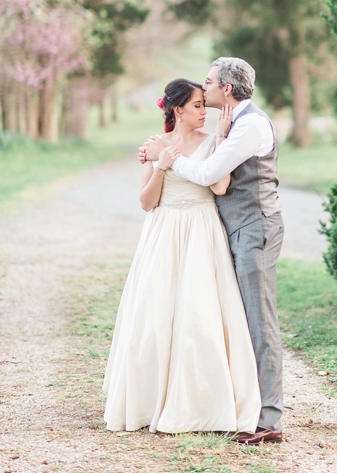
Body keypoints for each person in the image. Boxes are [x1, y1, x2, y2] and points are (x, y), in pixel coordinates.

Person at [141, 57, 285, 446]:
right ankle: (243, 404)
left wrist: (166, 159)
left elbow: (209, 177)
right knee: (237, 320)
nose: (202, 89)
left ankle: (268, 418)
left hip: (255, 228)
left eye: (208, 82)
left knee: (259, 320)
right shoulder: (234, 123)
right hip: (235, 229)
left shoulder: (251, 124)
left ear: (226, 89)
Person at [104, 78, 261, 434]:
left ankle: (200, 405)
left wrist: (221, 142)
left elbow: (220, 186)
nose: (205, 112)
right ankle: (151, 401)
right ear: (177, 110)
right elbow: (147, 203)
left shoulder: (211, 144)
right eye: (197, 106)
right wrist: (160, 165)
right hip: (163, 232)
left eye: (205, 105)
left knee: (200, 317)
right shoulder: (156, 145)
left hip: (202, 232)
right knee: (154, 317)